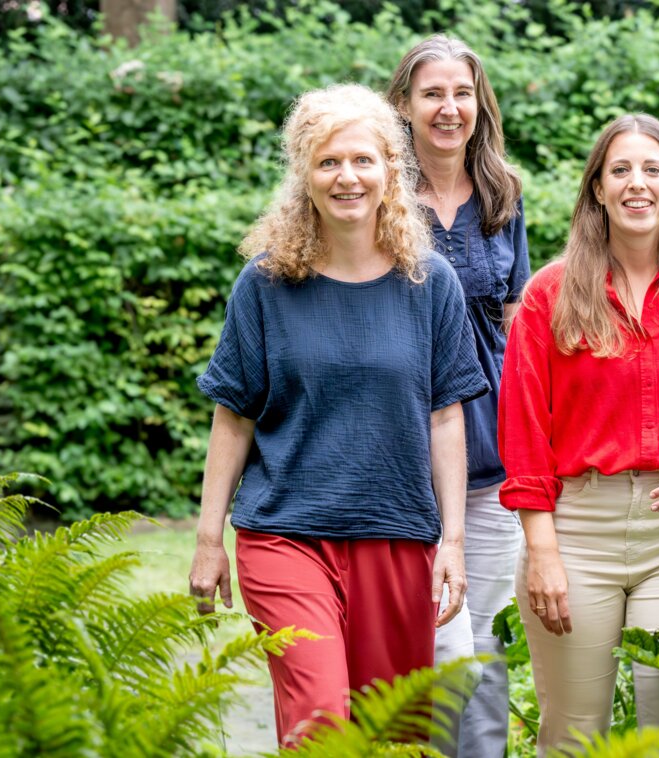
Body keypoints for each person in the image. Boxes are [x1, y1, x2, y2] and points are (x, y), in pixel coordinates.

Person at [187, 83, 489, 748]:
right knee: (322, 721)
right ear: (304, 175)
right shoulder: (265, 284)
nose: (346, 177)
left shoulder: (430, 283)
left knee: (390, 733)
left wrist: (454, 544)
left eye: (362, 160)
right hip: (285, 533)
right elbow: (232, 417)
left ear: (390, 170)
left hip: (397, 535)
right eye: (328, 162)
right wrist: (210, 539)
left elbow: (446, 418)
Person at [499, 114, 659, 757]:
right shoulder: (549, 294)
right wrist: (543, 550)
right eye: (620, 170)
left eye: (653, 170)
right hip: (576, 532)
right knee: (571, 736)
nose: (636, 184)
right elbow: (525, 429)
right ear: (597, 188)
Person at [386, 35, 530, 758]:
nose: (449, 108)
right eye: (433, 94)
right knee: (420, 639)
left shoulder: (505, 194)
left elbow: (518, 330)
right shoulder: (376, 192)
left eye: (462, 93)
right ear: (404, 105)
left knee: (484, 637)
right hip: (400, 448)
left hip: (492, 448)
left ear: (481, 105)